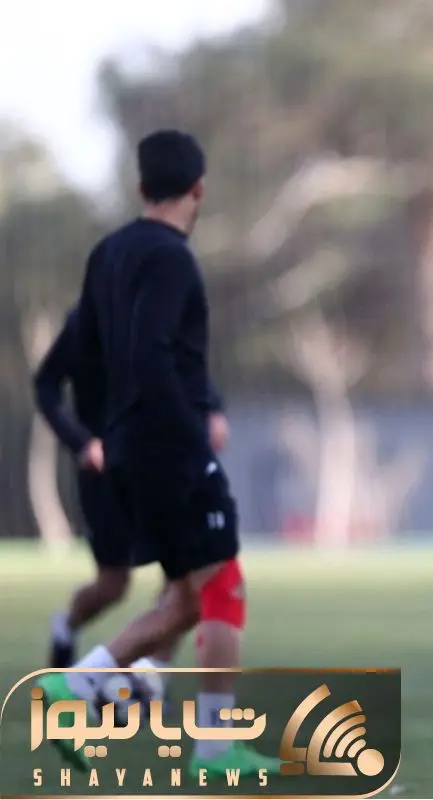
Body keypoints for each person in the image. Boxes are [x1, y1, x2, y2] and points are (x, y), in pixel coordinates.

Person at [35, 129, 281, 781]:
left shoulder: (108, 254)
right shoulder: (172, 259)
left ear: (142, 186)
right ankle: (213, 745)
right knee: (222, 587)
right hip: (167, 447)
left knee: (187, 596)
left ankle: (82, 687)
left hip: (127, 446)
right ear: (198, 188)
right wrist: (192, 441)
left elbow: (94, 351)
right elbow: (151, 356)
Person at [35, 306, 229, 680]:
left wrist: (214, 411)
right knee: (113, 585)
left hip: (160, 464)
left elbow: (187, 368)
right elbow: (46, 386)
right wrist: (81, 443)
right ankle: (68, 627)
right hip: (106, 471)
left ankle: (147, 677)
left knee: (185, 580)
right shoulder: (84, 322)